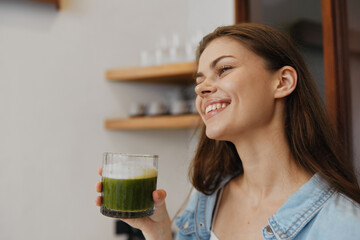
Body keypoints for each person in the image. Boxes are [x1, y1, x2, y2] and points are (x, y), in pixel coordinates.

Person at [95, 23, 360, 240]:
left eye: (224, 69)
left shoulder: (342, 225)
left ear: (283, 82)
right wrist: (159, 232)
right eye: (199, 81)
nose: (201, 88)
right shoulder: (206, 198)